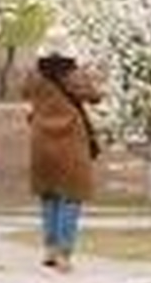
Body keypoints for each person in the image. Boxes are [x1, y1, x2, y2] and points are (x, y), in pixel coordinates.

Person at [21, 29, 104, 270]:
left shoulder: (33, 75)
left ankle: (49, 248)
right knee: (71, 197)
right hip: (71, 143)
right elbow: (95, 97)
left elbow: (26, 99)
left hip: (41, 142)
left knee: (49, 196)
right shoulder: (74, 75)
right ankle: (64, 254)